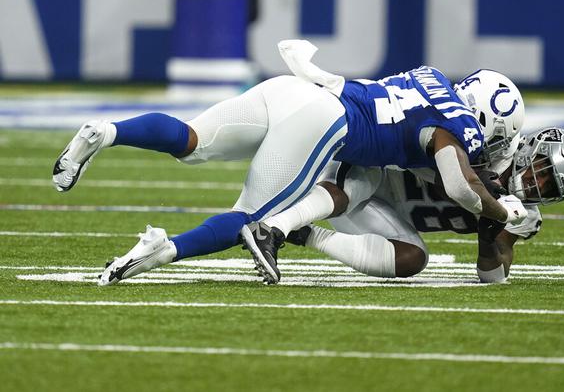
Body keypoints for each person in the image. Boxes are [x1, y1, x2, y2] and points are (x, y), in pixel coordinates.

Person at [52, 40, 528, 285]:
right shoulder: (459, 125)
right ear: (483, 114)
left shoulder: (431, 77)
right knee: (250, 217)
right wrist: (506, 213)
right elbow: (462, 188)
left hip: (291, 90)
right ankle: (160, 249)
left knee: (193, 141)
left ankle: (108, 132)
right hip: (325, 122)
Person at [274, 127, 564, 283]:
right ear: (529, 151)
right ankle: (282, 217)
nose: (538, 184)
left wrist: (488, 237)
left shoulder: (524, 214)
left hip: (376, 215)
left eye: (549, 187)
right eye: (542, 171)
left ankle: (304, 234)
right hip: (364, 171)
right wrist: (479, 188)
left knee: (413, 259)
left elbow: (494, 274)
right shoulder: (488, 150)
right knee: (357, 187)